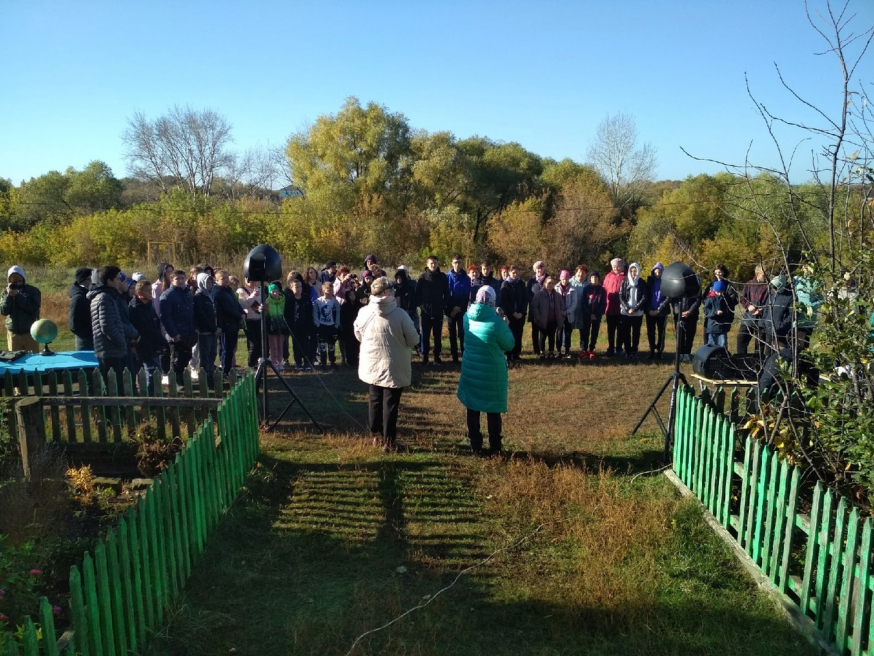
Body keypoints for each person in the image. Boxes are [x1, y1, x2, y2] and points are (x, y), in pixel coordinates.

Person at [354, 276, 419, 452]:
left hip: (372, 364)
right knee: (390, 404)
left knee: (374, 399)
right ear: (387, 292)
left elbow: (358, 333)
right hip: (394, 365)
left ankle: (376, 435)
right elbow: (413, 339)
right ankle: (389, 442)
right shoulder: (400, 315)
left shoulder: (364, 312)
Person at [457, 286, 515, 455]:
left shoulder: (467, 317)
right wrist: (506, 325)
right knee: (493, 410)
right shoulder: (497, 323)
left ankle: (475, 445)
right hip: (491, 373)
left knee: (472, 408)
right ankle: (495, 447)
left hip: (471, 368)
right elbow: (509, 344)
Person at [89, 266, 138, 384]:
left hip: (112, 350)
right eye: (116, 279)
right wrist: (122, 342)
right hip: (110, 351)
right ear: (109, 281)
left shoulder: (110, 297)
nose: (119, 281)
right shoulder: (105, 298)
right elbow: (108, 326)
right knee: (115, 388)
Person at [129, 280, 164, 394]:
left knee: (156, 371)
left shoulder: (149, 305)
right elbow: (145, 329)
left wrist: (159, 344)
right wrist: (161, 340)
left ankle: (154, 394)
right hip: (144, 345)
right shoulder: (135, 308)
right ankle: (150, 396)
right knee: (151, 371)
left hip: (154, 344)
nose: (151, 293)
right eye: (148, 291)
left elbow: (156, 323)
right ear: (140, 293)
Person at [160, 270, 196, 381]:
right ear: (171, 280)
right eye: (177, 279)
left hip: (188, 332)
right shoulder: (167, 295)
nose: (180, 281)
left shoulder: (187, 293)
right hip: (177, 334)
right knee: (176, 360)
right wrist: (173, 334)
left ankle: (182, 380)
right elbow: (165, 317)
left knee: (186, 357)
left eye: (182, 278)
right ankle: (176, 383)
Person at [415, 255, 450, 366]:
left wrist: (443, 306)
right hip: (425, 313)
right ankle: (425, 357)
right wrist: (422, 306)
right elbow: (417, 295)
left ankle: (436, 357)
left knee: (437, 336)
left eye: (435, 263)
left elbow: (447, 294)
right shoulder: (422, 278)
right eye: (431, 263)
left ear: (437, 263)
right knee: (425, 336)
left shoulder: (442, 277)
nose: (433, 265)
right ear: (427, 264)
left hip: (438, 312)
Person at [0, 266, 41, 353]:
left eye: (20, 280)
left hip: (30, 332)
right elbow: (4, 311)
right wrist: (9, 297)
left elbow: (33, 308)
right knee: (15, 360)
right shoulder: (5, 293)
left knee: (33, 360)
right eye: (15, 281)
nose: (18, 284)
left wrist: (18, 296)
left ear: (23, 279)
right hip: (13, 333)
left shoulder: (33, 291)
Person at [214, 270, 245, 380]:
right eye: (223, 278)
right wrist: (239, 315)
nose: (226, 280)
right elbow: (226, 309)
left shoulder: (229, 291)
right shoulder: (217, 292)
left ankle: (230, 369)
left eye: (227, 278)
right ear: (216, 280)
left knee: (231, 349)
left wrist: (242, 313)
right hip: (225, 324)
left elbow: (236, 304)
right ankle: (225, 372)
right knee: (225, 349)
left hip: (234, 324)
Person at [529, 274, 566, 359]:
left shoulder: (557, 295)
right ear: (544, 284)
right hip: (542, 319)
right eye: (549, 283)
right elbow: (534, 307)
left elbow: (562, 305)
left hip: (553, 320)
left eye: (552, 283)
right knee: (542, 336)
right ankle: (542, 352)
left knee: (552, 336)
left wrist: (561, 313)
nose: (550, 285)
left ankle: (551, 352)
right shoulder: (539, 295)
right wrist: (537, 317)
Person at [193, 273, 220, 386]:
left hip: (213, 330)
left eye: (210, 282)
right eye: (207, 282)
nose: (209, 285)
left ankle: (210, 375)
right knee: (205, 355)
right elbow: (202, 316)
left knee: (212, 353)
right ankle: (205, 379)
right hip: (205, 331)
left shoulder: (209, 295)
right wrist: (213, 328)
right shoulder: (199, 296)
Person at [285, 278, 318, 371]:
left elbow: (309, 312)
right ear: (291, 288)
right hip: (294, 326)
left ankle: (307, 362)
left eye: (300, 286)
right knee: (296, 345)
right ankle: (298, 362)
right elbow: (287, 314)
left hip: (305, 325)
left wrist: (309, 324)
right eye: (296, 287)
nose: (299, 288)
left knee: (306, 344)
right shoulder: (290, 299)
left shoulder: (306, 298)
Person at [737, 265, 769, 357]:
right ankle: (741, 360)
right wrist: (749, 306)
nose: (765, 276)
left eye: (766, 274)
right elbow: (742, 298)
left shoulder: (769, 286)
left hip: (762, 319)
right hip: (749, 317)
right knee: (741, 338)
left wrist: (761, 309)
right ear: (757, 274)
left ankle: (757, 363)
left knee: (760, 344)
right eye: (763, 274)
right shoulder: (750, 284)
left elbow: (770, 302)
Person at [618, 262, 647, 359]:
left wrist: (635, 308)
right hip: (626, 312)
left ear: (638, 271)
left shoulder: (642, 283)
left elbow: (644, 297)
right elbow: (621, 296)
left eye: (635, 271)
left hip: (637, 312)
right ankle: (627, 351)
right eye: (631, 271)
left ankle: (634, 350)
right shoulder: (624, 281)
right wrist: (627, 308)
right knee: (626, 332)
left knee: (636, 332)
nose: (633, 273)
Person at [499, 264, 527, 361]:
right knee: (509, 334)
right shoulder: (505, 284)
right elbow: (504, 301)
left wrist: (521, 313)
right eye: (513, 273)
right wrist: (513, 312)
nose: (515, 275)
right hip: (509, 315)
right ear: (509, 273)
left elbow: (525, 299)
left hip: (520, 315)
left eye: (516, 272)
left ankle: (516, 354)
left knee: (518, 334)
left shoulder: (521, 284)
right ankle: (509, 354)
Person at [446, 254, 471, 364]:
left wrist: (458, 308)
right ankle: (454, 356)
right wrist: (452, 308)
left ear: (462, 263)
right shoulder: (447, 277)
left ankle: (464, 354)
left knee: (462, 333)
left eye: (459, 262)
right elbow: (446, 294)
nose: (457, 264)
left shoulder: (466, 278)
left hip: (461, 310)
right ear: (452, 263)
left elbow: (466, 295)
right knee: (452, 334)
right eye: (455, 262)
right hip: (450, 310)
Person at [793, 263, 822, 351]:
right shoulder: (796, 280)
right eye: (805, 268)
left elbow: (821, 299)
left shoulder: (816, 282)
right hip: (796, 317)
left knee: (803, 344)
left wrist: (812, 306)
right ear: (802, 269)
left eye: (809, 268)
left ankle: (802, 363)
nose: (807, 270)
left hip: (808, 319)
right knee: (792, 344)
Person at [762, 275, 794, 353]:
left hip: (781, 331)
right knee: (768, 352)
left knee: (780, 353)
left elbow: (791, 314)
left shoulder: (790, 296)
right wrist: (766, 320)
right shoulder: (772, 293)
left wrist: (782, 325)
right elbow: (766, 307)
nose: (774, 290)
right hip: (769, 328)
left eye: (776, 288)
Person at [152, 262, 175, 374]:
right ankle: (164, 372)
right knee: (164, 348)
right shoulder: (156, 287)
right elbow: (157, 307)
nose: (170, 274)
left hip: (172, 320)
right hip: (162, 322)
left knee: (172, 348)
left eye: (172, 271)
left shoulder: (173, 286)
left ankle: (171, 371)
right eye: (168, 271)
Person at [578, 271, 606, 358]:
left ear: (598, 279)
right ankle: (584, 350)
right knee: (585, 332)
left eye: (596, 277)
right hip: (587, 315)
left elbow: (603, 304)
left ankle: (591, 349)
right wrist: (589, 313)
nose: (594, 279)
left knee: (594, 333)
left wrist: (597, 314)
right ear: (590, 279)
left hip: (597, 316)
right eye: (592, 277)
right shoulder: (586, 289)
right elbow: (583, 302)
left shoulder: (602, 290)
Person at [645, 262, 670, 359]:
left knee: (661, 333)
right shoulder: (649, 282)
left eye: (660, 272)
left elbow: (668, 297)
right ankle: (651, 350)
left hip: (662, 312)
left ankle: (659, 351)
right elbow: (646, 296)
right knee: (651, 331)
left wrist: (659, 309)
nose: (658, 273)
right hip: (650, 311)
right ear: (653, 272)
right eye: (656, 272)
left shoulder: (666, 283)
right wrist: (649, 309)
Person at [237, 278, 262, 369]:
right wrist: (253, 296)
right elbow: (243, 305)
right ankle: (250, 364)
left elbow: (261, 304)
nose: (252, 282)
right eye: (250, 280)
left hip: (258, 319)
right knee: (253, 343)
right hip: (248, 320)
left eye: (254, 280)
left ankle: (257, 362)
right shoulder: (241, 291)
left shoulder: (258, 289)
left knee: (259, 343)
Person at [603, 257, 626, 356]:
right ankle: (610, 347)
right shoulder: (608, 276)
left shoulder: (625, 277)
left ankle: (619, 348)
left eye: (618, 266)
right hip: (610, 307)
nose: (616, 268)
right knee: (610, 330)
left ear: (622, 266)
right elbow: (604, 289)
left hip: (621, 307)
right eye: (614, 266)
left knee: (621, 329)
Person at [315, 281, 341, 368]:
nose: (329, 292)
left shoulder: (334, 301)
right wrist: (317, 324)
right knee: (322, 345)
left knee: (331, 345)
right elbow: (315, 313)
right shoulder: (318, 301)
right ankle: (323, 362)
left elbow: (338, 313)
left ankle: (332, 362)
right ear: (323, 290)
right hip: (322, 326)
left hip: (332, 326)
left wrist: (337, 324)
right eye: (328, 290)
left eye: (331, 290)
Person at [673, 286, 701, 363]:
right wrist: (679, 312)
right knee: (679, 335)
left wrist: (689, 311)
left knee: (690, 335)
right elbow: (674, 301)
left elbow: (698, 300)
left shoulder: (695, 286)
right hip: (679, 315)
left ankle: (687, 353)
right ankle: (680, 353)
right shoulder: (677, 285)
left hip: (692, 315)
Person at [68, 267, 94, 351]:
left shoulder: (86, 294)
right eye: (91, 279)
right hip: (85, 343)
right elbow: (74, 325)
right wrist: (89, 334)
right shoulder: (78, 298)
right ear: (85, 280)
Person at [704, 280, 733, 348]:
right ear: (714, 290)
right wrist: (715, 312)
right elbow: (706, 310)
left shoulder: (726, 299)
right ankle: (712, 357)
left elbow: (730, 310)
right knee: (712, 343)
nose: (720, 293)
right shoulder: (710, 298)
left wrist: (728, 319)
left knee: (723, 343)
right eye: (718, 291)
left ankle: (723, 357)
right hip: (712, 326)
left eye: (721, 291)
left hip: (723, 326)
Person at [555, 270, 578, 357]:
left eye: (566, 279)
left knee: (568, 333)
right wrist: (560, 312)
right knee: (559, 333)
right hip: (559, 315)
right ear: (560, 278)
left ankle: (567, 350)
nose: (565, 281)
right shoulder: (556, 288)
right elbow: (555, 302)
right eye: (563, 279)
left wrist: (567, 311)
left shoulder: (573, 289)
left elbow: (574, 303)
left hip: (569, 315)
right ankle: (558, 351)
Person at [526, 261, 547, 355]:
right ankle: (536, 349)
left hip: (545, 309)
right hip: (534, 308)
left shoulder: (548, 278)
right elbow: (527, 294)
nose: (540, 270)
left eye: (541, 267)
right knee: (535, 330)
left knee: (543, 330)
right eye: (538, 268)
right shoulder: (531, 280)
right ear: (535, 269)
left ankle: (542, 349)